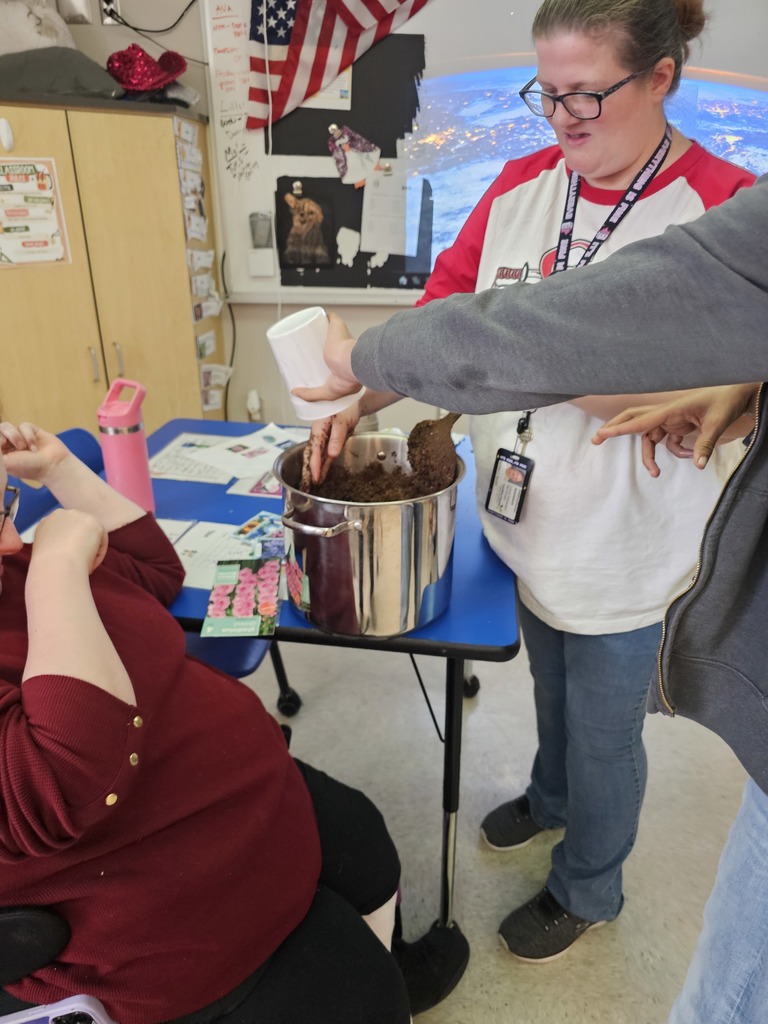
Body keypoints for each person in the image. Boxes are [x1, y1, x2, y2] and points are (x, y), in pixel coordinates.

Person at [305, 0, 755, 964]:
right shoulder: (518, 185)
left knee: (605, 735)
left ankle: (590, 884)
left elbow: (677, 402)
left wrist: (513, 359)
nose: (562, 120)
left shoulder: (720, 211)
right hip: (527, 518)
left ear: (662, 79)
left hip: (634, 553)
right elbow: (442, 330)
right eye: (546, 94)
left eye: (587, 95)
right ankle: (551, 801)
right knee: (548, 694)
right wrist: (363, 398)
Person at [0, 421, 466, 1024]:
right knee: (357, 986)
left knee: (361, 836)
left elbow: (155, 568)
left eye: (6, 507)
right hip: (149, 909)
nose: (14, 541)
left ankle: (394, 958)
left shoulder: (11, 569)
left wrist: (61, 473)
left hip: (233, 793)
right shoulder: (34, 571)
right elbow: (71, 774)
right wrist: (56, 569)